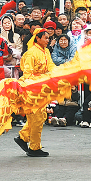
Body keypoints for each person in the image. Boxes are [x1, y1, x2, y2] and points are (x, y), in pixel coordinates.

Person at [14, 27, 54, 157]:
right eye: (46, 37)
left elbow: (51, 67)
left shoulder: (46, 51)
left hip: (41, 88)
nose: (48, 40)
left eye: (49, 38)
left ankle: (23, 137)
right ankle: (34, 148)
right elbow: (27, 73)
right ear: (38, 38)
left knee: (40, 116)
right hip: (32, 89)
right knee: (36, 118)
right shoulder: (31, 53)